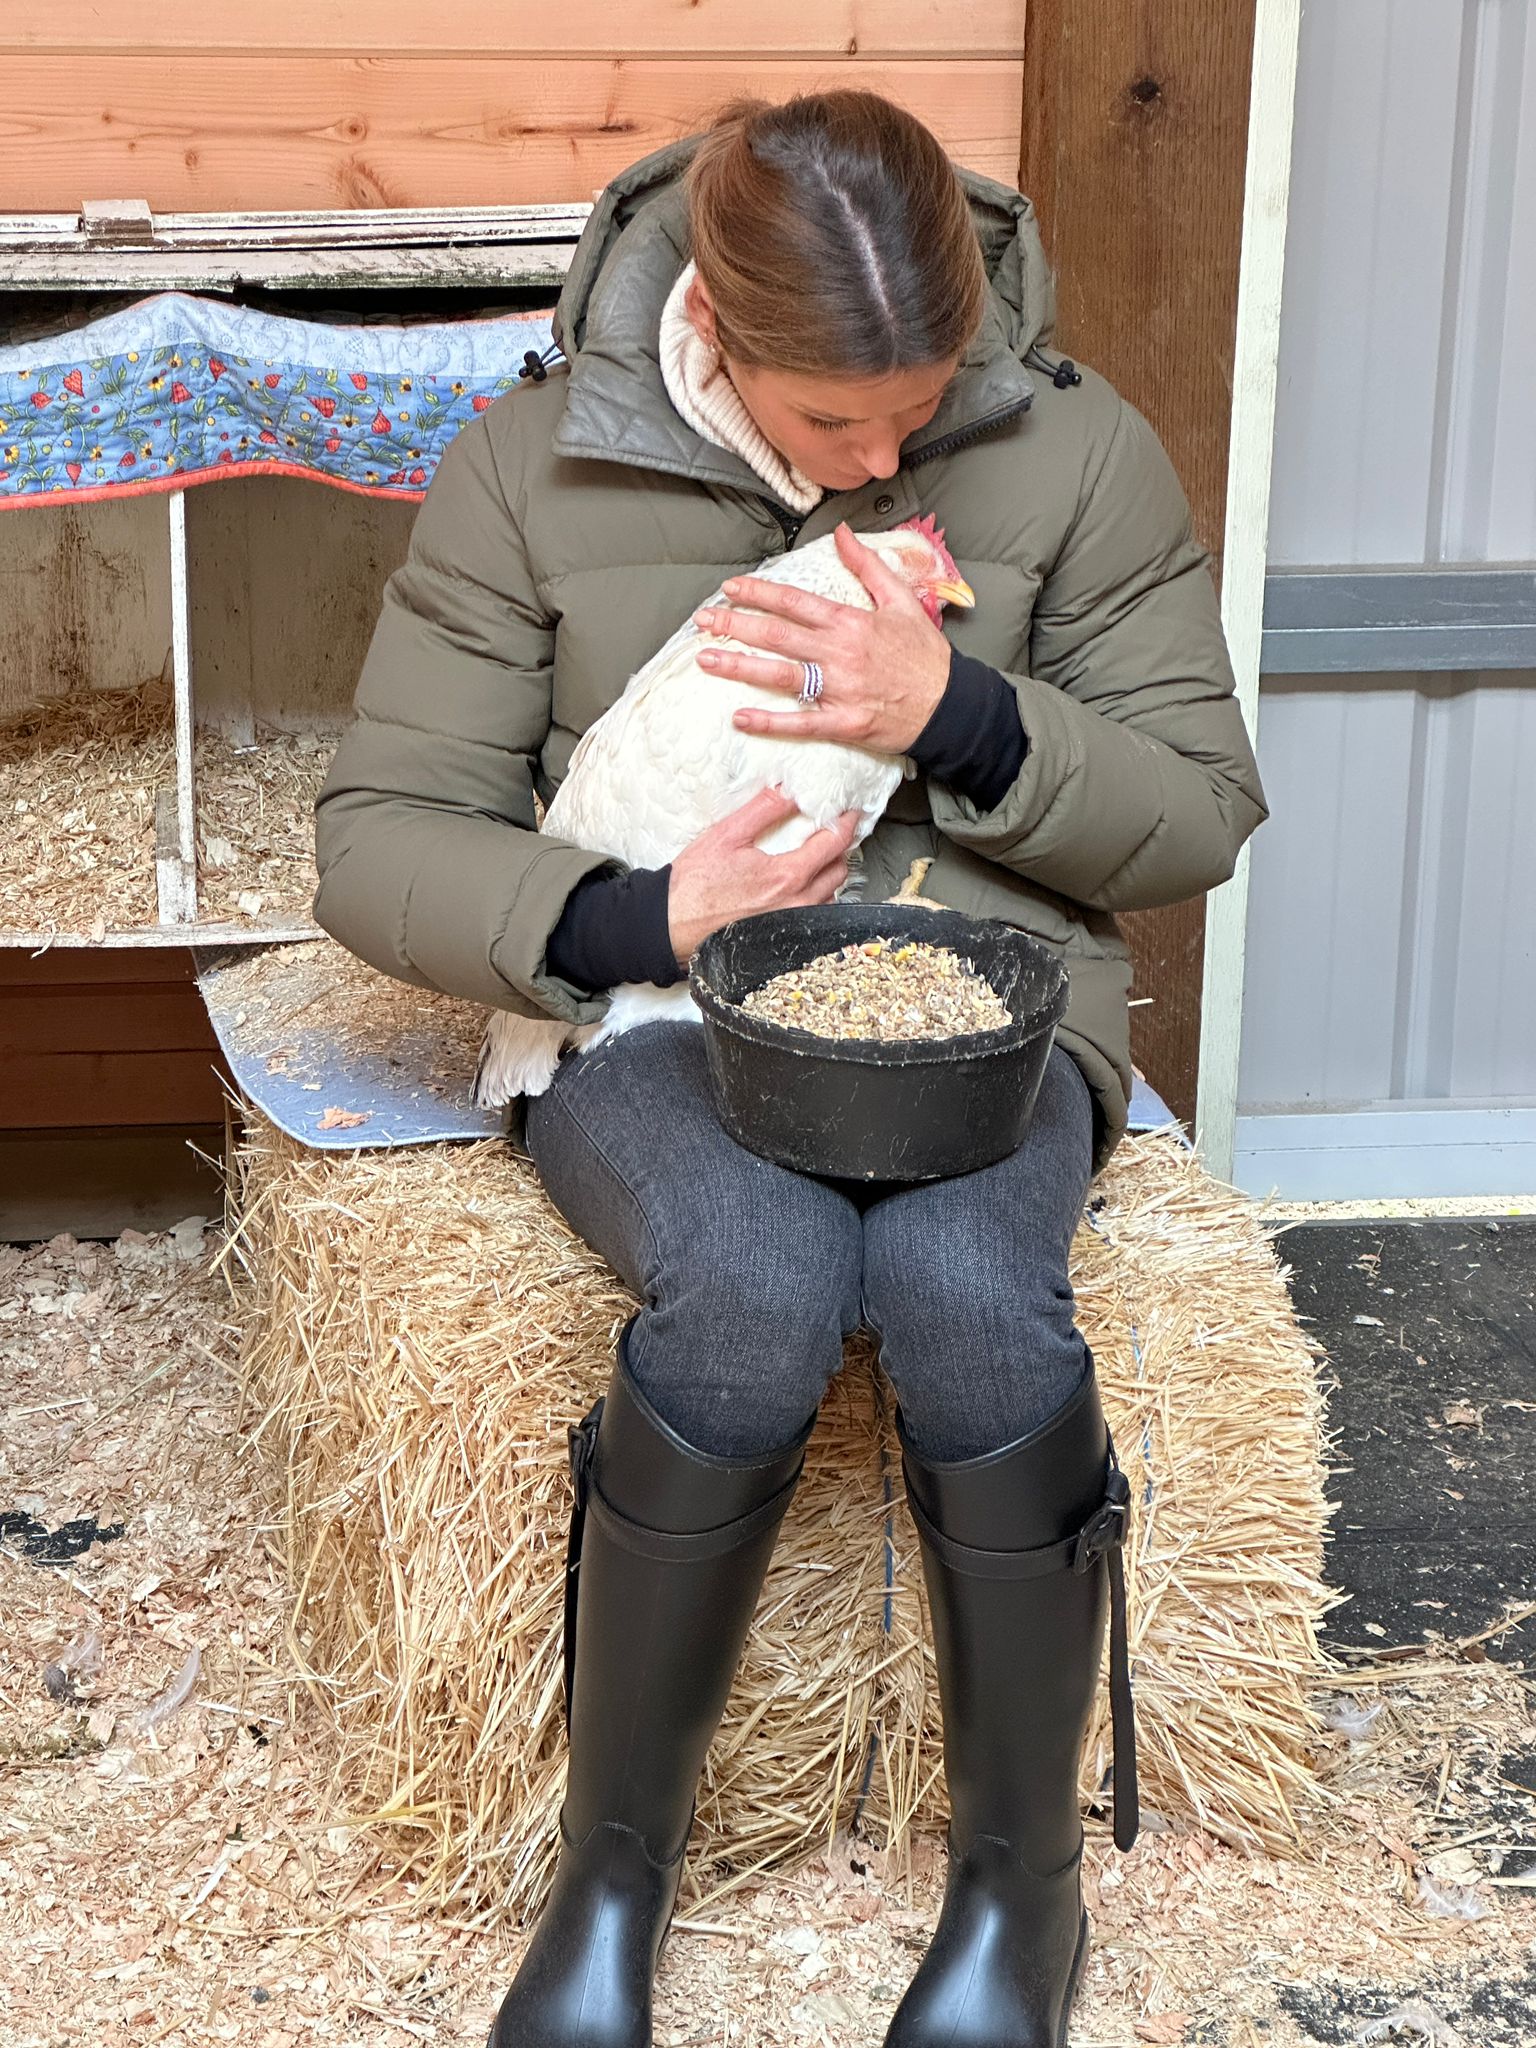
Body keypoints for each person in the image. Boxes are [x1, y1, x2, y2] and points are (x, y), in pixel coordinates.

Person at [313, 90, 1267, 2048]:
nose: (888, 457)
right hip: (660, 1007)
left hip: (977, 1009)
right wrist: (633, 917)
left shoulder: (1076, 450)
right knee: (756, 1281)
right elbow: (379, 833)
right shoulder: (539, 462)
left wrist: (965, 712)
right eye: (838, 425)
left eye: (921, 405)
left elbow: (1194, 812)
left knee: (963, 1291)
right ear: (720, 339)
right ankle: (607, 1883)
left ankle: (1021, 1897)